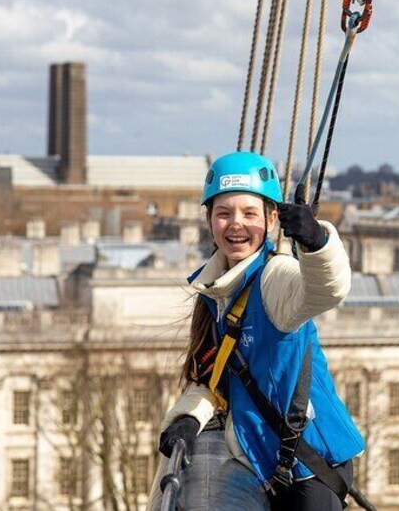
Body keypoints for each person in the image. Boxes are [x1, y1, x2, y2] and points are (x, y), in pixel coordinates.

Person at [148, 151, 364, 510]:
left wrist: (315, 242)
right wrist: (189, 417)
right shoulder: (215, 292)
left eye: (250, 214)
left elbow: (326, 289)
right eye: (224, 213)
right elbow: (213, 379)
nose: (236, 225)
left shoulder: (275, 276)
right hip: (264, 460)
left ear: (271, 218)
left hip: (312, 464)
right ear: (208, 220)